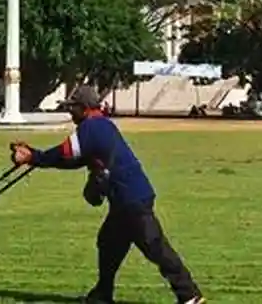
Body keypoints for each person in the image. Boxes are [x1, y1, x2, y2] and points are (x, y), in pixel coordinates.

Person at [11, 85, 203, 304]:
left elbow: (63, 153)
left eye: (72, 108)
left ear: (84, 108)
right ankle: (102, 294)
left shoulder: (90, 128)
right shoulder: (101, 125)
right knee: (109, 243)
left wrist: (32, 157)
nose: (69, 112)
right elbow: (74, 160)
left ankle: (190, 296)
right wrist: (34, 156)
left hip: (131, 199)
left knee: (155, 247)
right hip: (127, 199)